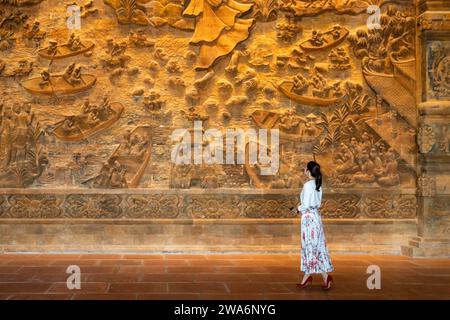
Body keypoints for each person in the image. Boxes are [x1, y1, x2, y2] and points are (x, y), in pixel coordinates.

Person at [296, 161, 334, 290]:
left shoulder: (307, 185)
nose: (304, 171)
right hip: (316, 217)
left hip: (308, 219)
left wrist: (298, 209)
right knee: (317, 246)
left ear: (308, 171)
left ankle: (314, 277)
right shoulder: (318, 185)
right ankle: (314, 277)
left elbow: (305, 205)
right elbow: (317, 203)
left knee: (310, 247)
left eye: (305, 169)